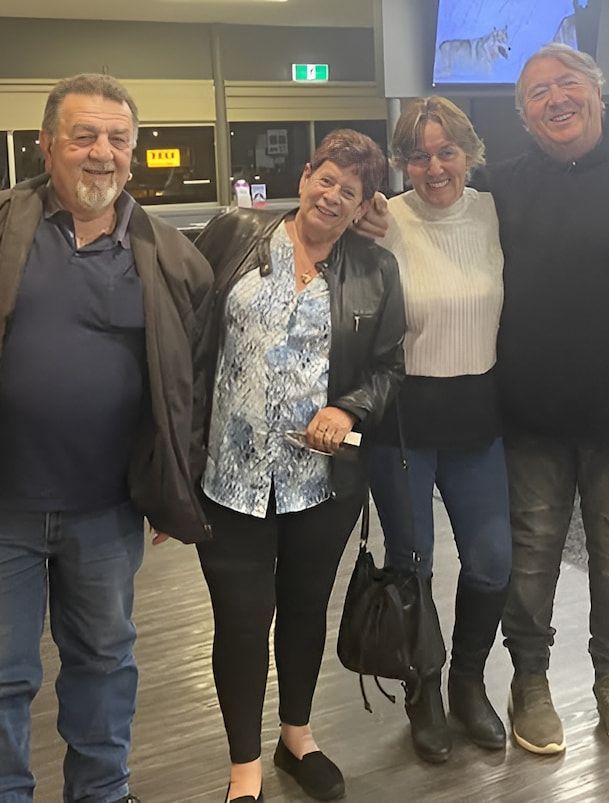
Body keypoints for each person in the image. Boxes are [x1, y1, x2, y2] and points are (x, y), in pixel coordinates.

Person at [356, 44, 609, 757]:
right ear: (522, 115)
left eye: (567, 85)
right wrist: (364, 216)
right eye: (537, 93)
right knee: (526, 558)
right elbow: (427, 204)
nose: (555, 100)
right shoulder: (509, 187)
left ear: (597, 92)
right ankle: (528, 678)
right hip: (528, 417)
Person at [0, 73, 213, 802]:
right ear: (47, 145)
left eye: (118, 139)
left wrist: (173, 477)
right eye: (84, 136)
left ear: (133, 150)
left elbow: (193, 385)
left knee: (106, 661)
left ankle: (103, 791)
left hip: (109, 510)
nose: (102, 153)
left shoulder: (171, 256)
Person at [185, 129, 404, 802]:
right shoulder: (235, 233)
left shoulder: (374, 268)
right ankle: (244, 767)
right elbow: (179, 323)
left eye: (351, 190)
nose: (332, 196)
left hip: (322, 485)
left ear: (366, 202)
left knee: (305, 608)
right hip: (230, 477)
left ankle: (297, 736)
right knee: (244, 619)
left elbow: (392, 366)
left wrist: (351, 408)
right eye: (326, 179)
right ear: (306, 176)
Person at [367, 97, 511, 763]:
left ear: (469, 153)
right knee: (413, 563)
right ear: (401, 163)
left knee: (492, 560)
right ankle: (423, 686)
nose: (433, 166)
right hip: (402, 421)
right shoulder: (381, 221)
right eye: (417, 155)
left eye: (445, 151)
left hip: (476, 417)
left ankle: (468, 680)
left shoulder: (492, 211)